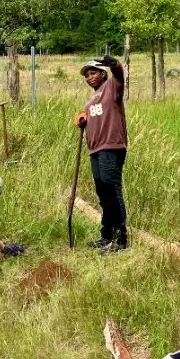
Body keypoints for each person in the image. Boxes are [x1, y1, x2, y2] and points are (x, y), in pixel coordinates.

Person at [75, 56, 128, 253]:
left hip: (111, 147)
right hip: (95, 150)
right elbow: (93, 117)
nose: (89, 77)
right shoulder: (91, 99)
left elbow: (120, 76)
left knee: (113, 192)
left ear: (103, 73)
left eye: (93, 72)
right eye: (87, 75)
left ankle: (120, 239)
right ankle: (106, 235)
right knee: (104, 195)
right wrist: (83, 119)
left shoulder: (112, 87)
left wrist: (114, 64)